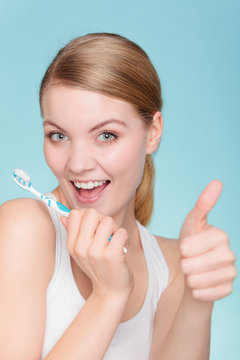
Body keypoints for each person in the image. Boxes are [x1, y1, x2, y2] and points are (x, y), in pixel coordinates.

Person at [0, 32, 237, 360]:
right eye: (58, 135)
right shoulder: (24, 227)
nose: (78, 164)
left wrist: (199, 299)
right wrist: (109, 296)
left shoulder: (173, 267)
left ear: (152, 132)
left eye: (106, 135)